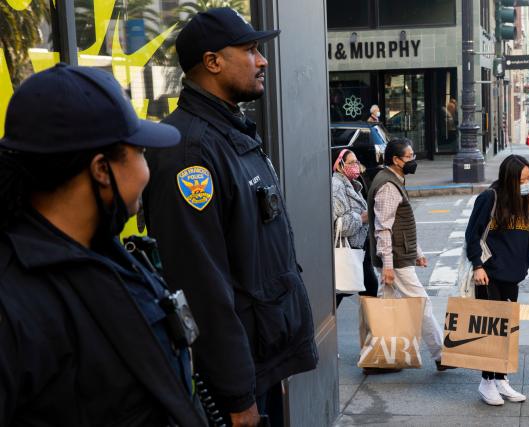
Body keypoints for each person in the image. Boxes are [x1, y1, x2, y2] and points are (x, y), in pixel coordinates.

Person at [0, 64, 207, 426]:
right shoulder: (14, 301)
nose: (147, 170)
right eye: (141, 152)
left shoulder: (106, 252)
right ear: (100, 169)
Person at [142, 8, 318, 427]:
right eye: (251, 50)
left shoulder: (231, 133)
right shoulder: (190, 154)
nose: (264, 61)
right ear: (212, 62)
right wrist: (240, 397)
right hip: (236, 388)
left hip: (261, 363)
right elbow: (201, 286)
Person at [367, 138, 453, 373]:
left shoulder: (393, 180)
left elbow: (400, 224)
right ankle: (441, 354)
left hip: (395, 257)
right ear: (396, 160)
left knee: (386, 306)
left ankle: (379, 358)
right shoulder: (388, 186)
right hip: (395, 260)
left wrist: (417, 252)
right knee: (420, 304)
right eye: (409, 157)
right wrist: (387, 265)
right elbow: (383, 227)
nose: (413, 160)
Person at [465, 154, 529, 406]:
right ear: (509, 179)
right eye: (522, 179)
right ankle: (486, 381)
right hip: (489, 275)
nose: (527, 183)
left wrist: (526, 264)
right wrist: (477, 265)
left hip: (512, 275)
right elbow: (472, 234)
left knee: (507, 328)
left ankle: (501, 378)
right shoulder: (489, 198)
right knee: (490, 328)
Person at [332, 149, 378, 307]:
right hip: (348, 250)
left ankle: (371, 329)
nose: (356, 166)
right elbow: (336, 225)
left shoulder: (353, 184)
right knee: (342, 291)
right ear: (339, 165)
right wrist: (362, 218)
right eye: (351, 162)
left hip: (359, 250)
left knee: (369, 288)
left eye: (357, 162)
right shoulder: (336, 187)